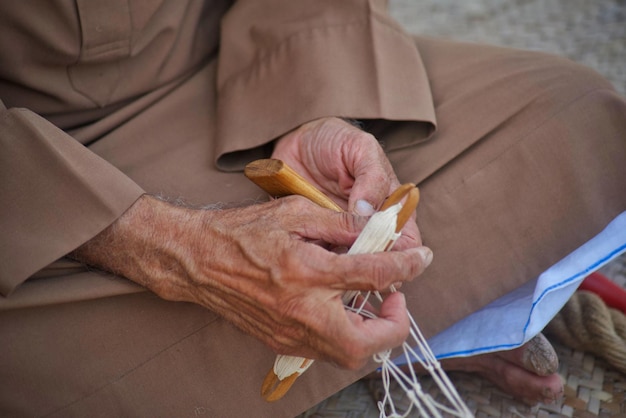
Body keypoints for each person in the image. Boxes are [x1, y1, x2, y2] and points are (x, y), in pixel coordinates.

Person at [1, 1, 625, 416]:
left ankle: (403, 325)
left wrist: (315, 109)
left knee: (580, 115)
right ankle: (436, 315)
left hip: (228, 72)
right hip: (33, 178)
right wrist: (176, 248)